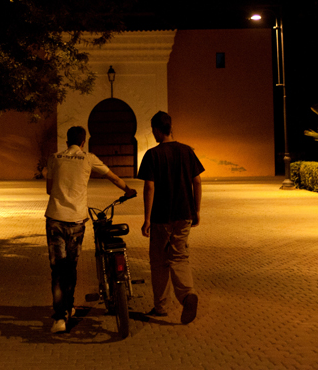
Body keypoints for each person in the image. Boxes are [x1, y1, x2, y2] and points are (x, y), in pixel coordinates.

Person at [45, 125, 135, 334]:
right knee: (71, 266)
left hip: (55, 219)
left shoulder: (55, 157)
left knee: (58, 269)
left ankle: (60, 317)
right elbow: (112, 176)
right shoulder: (88, 157)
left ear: (67, 141)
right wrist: (128, 190)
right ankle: (69, 307)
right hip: (76, 220)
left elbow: (50, 190)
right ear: (83, 142)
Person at [137, 111, 204, 324]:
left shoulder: (152, 155)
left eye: (153, 130)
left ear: (157, 129)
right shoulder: (187, 151)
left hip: (161, 216)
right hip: (184, 213)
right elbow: (198, 182)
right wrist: (197, 210)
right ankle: (187, 294)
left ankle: (161, 306)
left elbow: (149, 186)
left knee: (159, 261)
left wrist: (147, 219)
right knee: (179, 256)